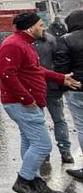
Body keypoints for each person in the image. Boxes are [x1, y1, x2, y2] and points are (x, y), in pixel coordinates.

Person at [0, 12, 81, 193]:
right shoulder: (13, 45)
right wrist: (26, 99)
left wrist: (60, 78)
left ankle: (35, 181)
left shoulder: (24, 44)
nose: (43, 28)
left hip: (29, 101)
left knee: (29, 141)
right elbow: (6, 74)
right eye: (41, 25)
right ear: (30, 27)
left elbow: (35, 70)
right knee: (43, 145)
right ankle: (23, 182)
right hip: (22, 104)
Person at [34, 31, 74, 163]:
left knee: (39, 122)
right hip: (52, 86)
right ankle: (65, 152)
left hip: (34, 87)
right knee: (59, 120)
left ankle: (44, 153)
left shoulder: (26, 43)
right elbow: (60, 63)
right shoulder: (52, 40)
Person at [55, 9, 83, 181]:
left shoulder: (66, 40)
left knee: (82, 126)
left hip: (77, 88)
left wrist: (63, 83)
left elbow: (61, 66)